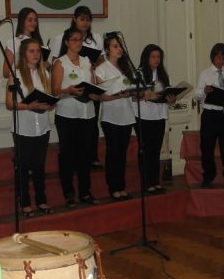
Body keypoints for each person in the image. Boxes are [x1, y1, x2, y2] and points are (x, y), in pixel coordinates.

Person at [6, 38, 54, 216]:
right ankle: (25, 203)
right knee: (24, 166)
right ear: (24, 54)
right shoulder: (15, 74)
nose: (35, 54)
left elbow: (50, 100)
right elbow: (9, 103)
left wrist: (50, 105)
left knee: (40, 165)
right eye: (31, 51)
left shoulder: (45, 73)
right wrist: (28, 106)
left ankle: (41, 200)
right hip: (23, 128)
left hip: (42, 127)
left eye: (38, 51)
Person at [51, 26, 99, 207]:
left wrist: (97, 92)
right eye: (74, 40)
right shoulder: (60, 63)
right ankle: (69, 193)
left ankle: (85, 192)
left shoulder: (87, 61)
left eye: (80, 39)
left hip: (87, 114)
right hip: (67, 114)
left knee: (85, 155)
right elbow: (54, 91)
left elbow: (93, 88)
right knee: (68, 155)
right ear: (66, 43)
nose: (78, 43)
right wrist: (68, 91)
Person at [53, 6, 103, 168]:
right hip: (68, 96)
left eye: (88, 19)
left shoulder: (96, 38)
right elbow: (54, 63)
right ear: (74, 19)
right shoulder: (61, 39)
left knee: (90, 129)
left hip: (88, 84)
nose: (86, 22)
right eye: (82, 18)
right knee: (69, 144)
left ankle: (91, 159)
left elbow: (101, 62)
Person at [95, 33, 136, 200]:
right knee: (113, 152)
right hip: (110, 116)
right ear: (107, 49)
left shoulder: (126, 68)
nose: (119, 50)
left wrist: (135, 92)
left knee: (122, 153)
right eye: (115, 46)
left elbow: (132, 90)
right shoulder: (101, 69)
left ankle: (121, 186)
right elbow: (100, 96)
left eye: (120, 46)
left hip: (126, 114)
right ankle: (113, 188)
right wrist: (119, 96)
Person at [196, 43, 224, 188]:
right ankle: (208, 177)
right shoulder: (205, 73)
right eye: (218, 57)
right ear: (212, 57)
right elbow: (197, 95)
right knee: (207, 147)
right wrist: (205, 91)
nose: (221, 60)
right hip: (210, 114)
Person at [137, 44, 171, 194]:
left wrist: (171, 98)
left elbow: (166, 93)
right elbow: (136, 94)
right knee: (145, 150)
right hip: (144, 116)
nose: (157, 60)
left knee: (156, 150)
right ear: (146, 57)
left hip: (159, 115)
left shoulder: (162, 74)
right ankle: (146, 183)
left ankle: (155, 181)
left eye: (159, 57)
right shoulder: (139, 74)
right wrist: (149, 95)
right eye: (153, 56)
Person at [3, 7, 43, 78]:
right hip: (19, 83)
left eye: (35, 20)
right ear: (22, 21)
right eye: (30, 20)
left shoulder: (37, 42)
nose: (33, 23)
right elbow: (6, 72)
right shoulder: (13, 42)